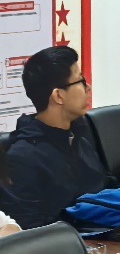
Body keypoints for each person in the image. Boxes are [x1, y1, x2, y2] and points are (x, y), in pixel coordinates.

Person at [0, 46, 108, 229]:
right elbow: (29, 229)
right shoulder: (22, 157)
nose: (88, 87)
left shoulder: (79, 136)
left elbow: (104, 192)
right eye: (81, 81)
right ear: (58, 95)